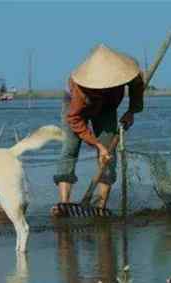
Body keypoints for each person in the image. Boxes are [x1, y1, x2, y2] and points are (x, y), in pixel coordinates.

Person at [52, 44, 145, 214]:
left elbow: (138, 86)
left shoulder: (127, 74)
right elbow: (74, 119)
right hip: (76, 109)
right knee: (70, 149)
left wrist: (131, 111)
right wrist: (97, 145)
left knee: (108, 154)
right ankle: (64, 204)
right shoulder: (79, 86)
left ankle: (100, 205)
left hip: (107, 108)